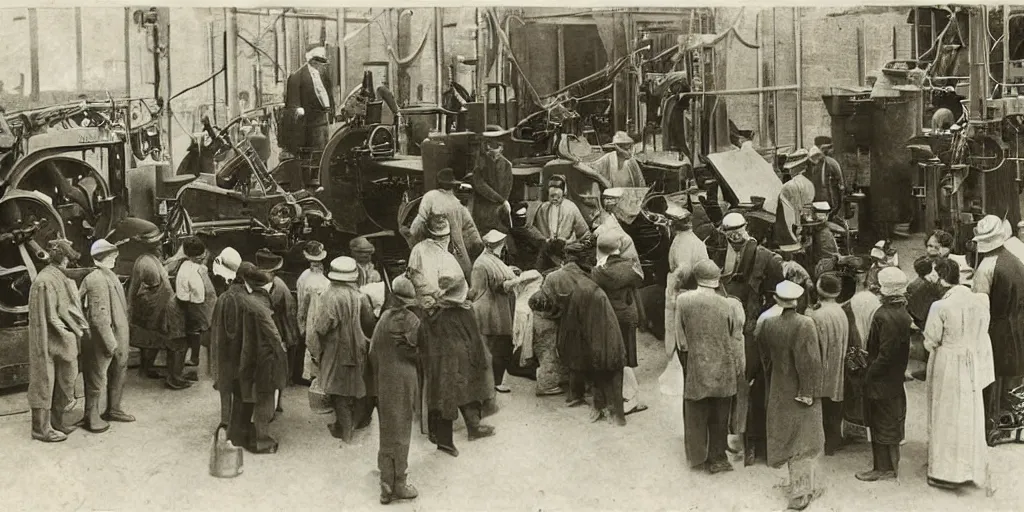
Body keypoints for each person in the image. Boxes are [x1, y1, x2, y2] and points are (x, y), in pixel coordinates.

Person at [407, 215, 496, 457]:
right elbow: (456, 290)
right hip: (449, 317)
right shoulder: (446, 258)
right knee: (459, 371)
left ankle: (447, 429)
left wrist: (430, 299)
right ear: (444, 236)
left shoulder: (417, 250)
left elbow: (414, 279)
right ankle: (458, 429)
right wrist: (444, 296)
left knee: (440, 375)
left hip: (429, 316)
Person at [536, 241, 627, 426]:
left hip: (577, 326)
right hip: (600, 325)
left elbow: (542, 301)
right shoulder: (593, 277)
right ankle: (610, 410)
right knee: (602, 364)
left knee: (578, 360)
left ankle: (580, 398)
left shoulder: (558, 278)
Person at [924, 258, 995, 489]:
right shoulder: (977, 301)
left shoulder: (940, 306)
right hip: (970, 360)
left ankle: (945, 472)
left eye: (934, 274)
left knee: (945, 412)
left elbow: (931, 340)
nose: (931, 278)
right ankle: (967, 467)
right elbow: (983, 331)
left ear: (942, 278)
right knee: (967, 412)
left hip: (947, 361)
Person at [719, 211, 785, 464]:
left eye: (738, 230)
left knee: (751, 383)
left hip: (754, 328)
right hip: (730, 326)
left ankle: (750, 440)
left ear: (746, 228)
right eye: (729, 232)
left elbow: (775, 294)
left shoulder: (766, 258)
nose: (734, 236)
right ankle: (737, 436)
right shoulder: (718, 250)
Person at [675, 259, 745, 473]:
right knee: (720, 412)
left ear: (696, 278)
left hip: (697, 361)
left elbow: (681, 339)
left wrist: (687, 361)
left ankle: (697, 456)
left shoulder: (683, 300)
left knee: (696, 409)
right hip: (723, 365)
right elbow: (735, 337)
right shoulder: (729, 304)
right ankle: (718, 457)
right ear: (717, 280)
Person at [758, 280, 824, 511]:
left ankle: (799, 488)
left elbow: (765, 357)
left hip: (778, 386)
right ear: (797, 301)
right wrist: (808, 392)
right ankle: (800, 494)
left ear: (777, 300)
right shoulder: (805, 324)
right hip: (800, 389)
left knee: (786, 436)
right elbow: (809, 361)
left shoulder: (767, 324)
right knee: (803, 439)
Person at [311, 256, 377, 443]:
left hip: (336, 351)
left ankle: (346, 432)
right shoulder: (361, 296)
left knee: (338, 391)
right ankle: (352, 426)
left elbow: (322, 327)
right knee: (356, 388)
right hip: (360, 349)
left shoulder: (329, 296)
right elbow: (370, 323)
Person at [27, 239, 88, 442]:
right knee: (43, 379)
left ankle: (56, 421)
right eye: (69, 260)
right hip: (48, 338)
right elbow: (51, 316)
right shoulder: (45, 281)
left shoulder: (57, 276)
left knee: (64, 379)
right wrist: (72, 333)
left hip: (62, 338)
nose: (69, 264)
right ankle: (41, 429)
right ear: (62, 259)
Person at [971, 215, 1024, 441]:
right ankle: (1015, 418)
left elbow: (978, 306)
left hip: (996, 327)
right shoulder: (1015, 260)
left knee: (992, 375)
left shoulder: (986, 268)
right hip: (1018, 322)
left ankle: (991, 424)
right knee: (1015, 373)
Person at [856, 267, 913, 482]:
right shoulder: (903, 313)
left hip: (880, 378)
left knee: (879, 422)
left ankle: (882, 468)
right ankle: (891, 464)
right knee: (892, 419)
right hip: (895, 377)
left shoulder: (882, 315)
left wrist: (868, 374)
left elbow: (883, 353)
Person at [371, 275, 421, 504]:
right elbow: (421, 354)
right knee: (402, 431)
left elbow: (372, 352)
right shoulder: (412, 321)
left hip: (384, 377)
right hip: (404, 379)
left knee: (386, 429)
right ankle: (399, 482)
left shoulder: (383, 319)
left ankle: (385, 480)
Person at [79, 239, 135, 434]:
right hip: (104, 339)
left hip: (117, 335)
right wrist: (111, 343)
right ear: (103, 257)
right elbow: (99, 317)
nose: (115, 257)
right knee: (96, 376)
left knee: (118, 371)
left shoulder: (108, 275)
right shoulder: (97, 279)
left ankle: (113, 409)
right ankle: (91, 417)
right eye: (112, 255)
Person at [591, 231, 648, 415]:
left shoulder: (599, 271)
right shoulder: (630, 266)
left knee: (615, 354)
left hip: (610, 316)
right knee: (628, 355)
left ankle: (625, 395)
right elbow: (640, 280)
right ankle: (631, 396)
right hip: (629, 314)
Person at [127, 227, 189, 389]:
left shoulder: (149, 259)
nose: (161, 245)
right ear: (153, 246)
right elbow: (141, 287)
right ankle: (174, 378)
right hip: (155, 308)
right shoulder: (146, 263)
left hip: (156, 306)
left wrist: (178, 257)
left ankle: (146, 370)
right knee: (171, 340)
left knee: (151, 340)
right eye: (159, 243)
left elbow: (162, 271)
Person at [237, 263, 289, 454]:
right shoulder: (261, 308)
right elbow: (274, 336)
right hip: (265, 359)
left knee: (255, 397)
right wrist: (282, 356)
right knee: (265, 399)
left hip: (250, 357)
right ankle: (262, 439)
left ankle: (253, 432)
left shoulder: (246, 300)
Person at [660, 204, 708, 395]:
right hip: (691, 289)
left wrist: (675, 289)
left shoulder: (683, 243)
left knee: (678, 331)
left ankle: (679, 371)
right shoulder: (690, 239)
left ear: (673, 225)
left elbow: (684, 269)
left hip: (684, 291)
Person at [407, 168, 484, 282]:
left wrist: (414, 242)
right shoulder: (457, 204)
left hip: (434, 245)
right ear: (453, 186)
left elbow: (415, 228)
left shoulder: (430, 196)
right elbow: (472, 232)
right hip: (456, 251)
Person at [470, 230, 518, 394]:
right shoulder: (481, 263)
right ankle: (491, 382)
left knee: (500, 345)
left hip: (498, 307)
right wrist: (515, 281)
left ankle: (494, 380)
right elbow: (487, 287)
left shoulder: (491, 259)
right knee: (494, 346)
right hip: (489, 309)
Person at [210, 255, 250, 447]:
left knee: (226, 388)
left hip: (226, 354)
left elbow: (217, 330)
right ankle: (238, 425)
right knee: (242, 390)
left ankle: (226, 421)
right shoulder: (249, 299)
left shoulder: (224, 298)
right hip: (242, 353)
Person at [807, 272, 849, 455]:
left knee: (822, 404)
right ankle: (834, 440)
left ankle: (822, 442)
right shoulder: (841, 312)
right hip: (838, 363)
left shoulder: (816, 316)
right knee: (835, 400)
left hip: (822, 365)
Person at [282, 43, 335, 186]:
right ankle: (310, 180)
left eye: (322, 63)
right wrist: (298, 109)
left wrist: (332, 111)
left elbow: (328, 94)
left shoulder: (323, 75)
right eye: (318, 62)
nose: (321, 66)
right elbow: (292, 101)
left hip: (323, 118)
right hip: (308, 122)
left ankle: (321, 178)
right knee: (312, 151)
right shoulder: (297, 76)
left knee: (325, 149)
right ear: (311, 61)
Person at [257, 248, 298, 407]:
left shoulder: (279, 286)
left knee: (278, 367)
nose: (272, 275)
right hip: (262, 331)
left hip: (277, 330)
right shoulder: (257, 285)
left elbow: (289, 310)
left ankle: (277, 401)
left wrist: (289, 335)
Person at [175, 237, 217, 369]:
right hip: (198, 303)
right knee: (201, 330)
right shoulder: (190, 269)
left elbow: (185, 296)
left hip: (199, 303)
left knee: (197, 331)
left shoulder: (188, 268)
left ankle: (195, 358)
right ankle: (197, 358)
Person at [297, 241, 330, 386]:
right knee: (317, 344)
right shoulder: (325, 282)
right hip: (316, 314)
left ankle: (308, 374)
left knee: (310, 342)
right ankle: (315, 375)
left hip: (309, 314)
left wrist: (301, 323)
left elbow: (300, 303)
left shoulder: (303, 277)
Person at [527, 291, 569, 396]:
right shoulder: (548, 299)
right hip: (546, 330)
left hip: (539, 327)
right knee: (549, 358)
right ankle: (545, 386)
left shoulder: (539, 296)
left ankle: (549, 382)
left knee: (547, 357)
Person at [470, 135, 514, 235]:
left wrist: (503, 202)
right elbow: (480, 185)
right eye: (490, 146)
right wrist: (502, 200)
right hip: (483, 209)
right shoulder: (480, 163)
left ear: (502, 148)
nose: (492, 150)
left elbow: (508, 187)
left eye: (498, 147)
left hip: (498, 210)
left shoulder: (506, 165)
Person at [532, 175, 590, 243]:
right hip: (546, 248)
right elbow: (535, 230)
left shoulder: (571, 207)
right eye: (552, 196)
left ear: (563, 194)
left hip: (567, 247)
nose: (554, 199)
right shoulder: (543, 208)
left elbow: (583, 232)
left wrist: (570, 241)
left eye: (558, 197)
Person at [806, 139, 845, 214]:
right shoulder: (812, 164)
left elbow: (841, 184)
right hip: (818, 199)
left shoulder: (831, 163)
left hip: (828, 200)